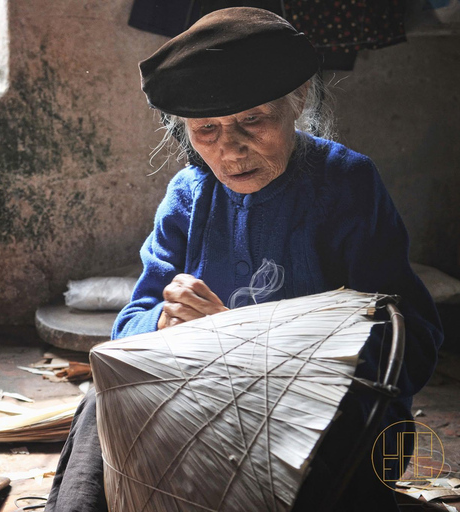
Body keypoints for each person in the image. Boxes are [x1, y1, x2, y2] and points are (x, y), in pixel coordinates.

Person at [45, 7, 444, 512]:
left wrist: (249, 344)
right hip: (209, 411)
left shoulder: (346, 185)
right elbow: (127, 333)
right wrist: (163, 321)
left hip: (315, 415)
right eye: (205, 129)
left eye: (252, 120)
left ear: (297, 100)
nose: (230, 150)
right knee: (100, 403)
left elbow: (412, 340)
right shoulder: (189, 197)